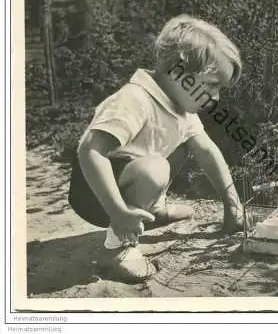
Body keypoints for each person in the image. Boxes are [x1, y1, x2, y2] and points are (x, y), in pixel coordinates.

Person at [68, 14, 245, 282]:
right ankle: (118, 247)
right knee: (156, 167)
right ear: (177, 70)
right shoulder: (135, 99)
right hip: (95, 195)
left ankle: (154, 208)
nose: (216, 97)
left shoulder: (181, 107)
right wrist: (118, 212)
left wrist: (232, 204)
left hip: (128, 178)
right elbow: (89, 151)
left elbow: (208, 153)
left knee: (188, 146)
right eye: (211, 85)